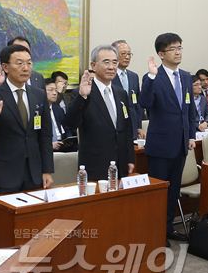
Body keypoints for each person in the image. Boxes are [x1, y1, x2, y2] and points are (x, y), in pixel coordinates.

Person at [140, 33, 198, 243]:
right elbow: (145, 103)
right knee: (159, 192)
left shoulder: (185, 76)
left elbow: (189, 110)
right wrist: (153, 77)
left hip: (181, 144)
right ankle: (155, 232)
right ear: (161, 54)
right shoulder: (152, 77)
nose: (178, 52)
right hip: (161, 145)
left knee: (173, 191)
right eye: (173, 48)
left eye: (180, 48)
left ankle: (167, 228)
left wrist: (191, 135)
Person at [0, 44, 54, 194]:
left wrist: (47, 170)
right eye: (20, 63)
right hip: (5, 175)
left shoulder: (39, 94)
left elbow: (45, 135)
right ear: (5, 67)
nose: (26, 68)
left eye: (29, 63)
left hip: (34, 174)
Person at [62, 45, 135, 180]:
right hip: (95, 164)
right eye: (106, 62)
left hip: (120, 163)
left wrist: (130, 158)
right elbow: (70, 124)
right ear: (93, 65)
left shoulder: (121, 93)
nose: (111, 67)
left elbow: (127, 129)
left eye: (114, 62)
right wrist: (82, 97)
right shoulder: (82, 92)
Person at [111, 40, 145, 140]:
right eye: (123, 54)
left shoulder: (133, 76)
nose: (127, 57)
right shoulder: (109, 75)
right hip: (115, 127)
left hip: (133, 128)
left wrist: (139, 126)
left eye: (129, 54)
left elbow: (138, 104)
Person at [45, 77, 75, 152]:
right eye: (50, 90)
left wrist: (69, 139)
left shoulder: (58, 109)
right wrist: (49, 145)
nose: (55, 93)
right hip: (48, 148)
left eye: (55, 90)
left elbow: (66, 127)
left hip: (62, 144)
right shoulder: (38, 111)